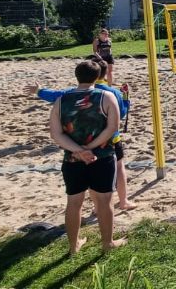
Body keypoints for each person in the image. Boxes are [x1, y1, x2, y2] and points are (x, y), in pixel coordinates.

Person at [28, 55, 136, 211]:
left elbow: (55, 96)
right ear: (103, 74)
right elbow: (122, 113)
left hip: (79, 142)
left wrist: (39, 91)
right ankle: (123, 201)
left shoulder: (72, 93)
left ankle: (97, 207)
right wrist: (126, 98)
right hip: (108, 140)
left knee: (89, 175)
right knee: (118, 168)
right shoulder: (113, 93)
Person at [48, 59, 125, 254]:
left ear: (77, 76)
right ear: (98, 76)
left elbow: (56, 134)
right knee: (104, 201)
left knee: (74, 202)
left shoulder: (61, 101)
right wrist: (90, 148)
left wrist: (79, 150)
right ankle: (107, 243)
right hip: (102, 156)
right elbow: (112, 128)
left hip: (73, 158)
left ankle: (73, 246)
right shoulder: (106, 96)